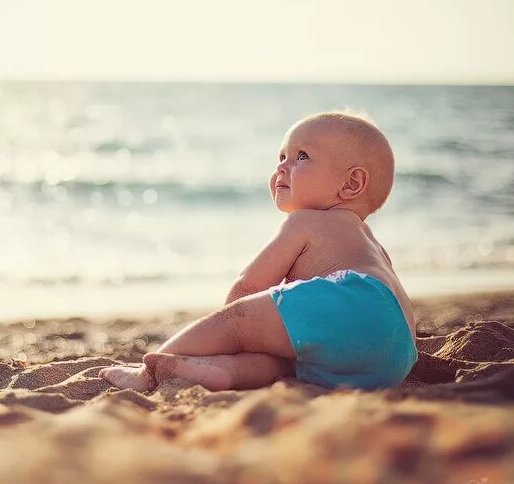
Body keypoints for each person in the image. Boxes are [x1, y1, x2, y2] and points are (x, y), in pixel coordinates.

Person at [98, 111, 418, 392]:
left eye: (301, 156)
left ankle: (147, 372)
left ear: (351, 184)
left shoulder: (306, 221)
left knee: (238, 323)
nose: (282, 167)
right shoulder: (370, 244)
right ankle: (222, 372)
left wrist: (233, 325)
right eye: (281, 157)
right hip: (396, 353)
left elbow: (249, 285)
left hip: (353, 307)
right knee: (282, 362)